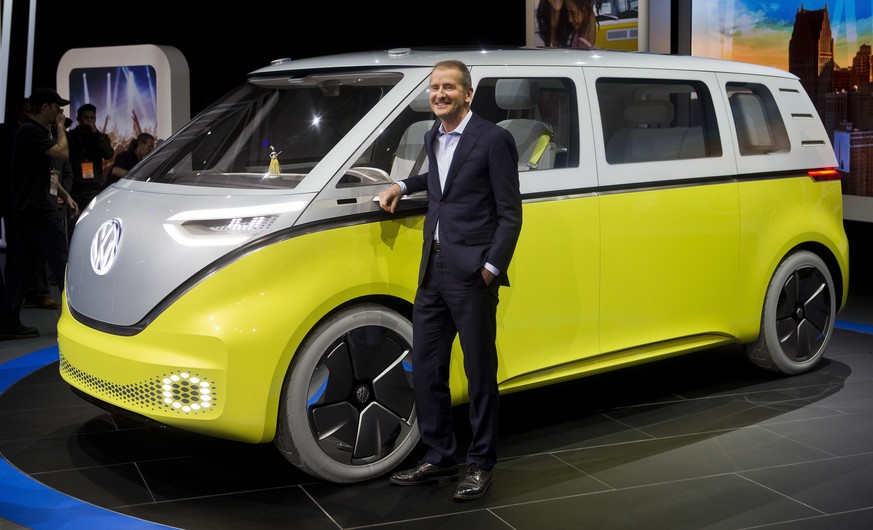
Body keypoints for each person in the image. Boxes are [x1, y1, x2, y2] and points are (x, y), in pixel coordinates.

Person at [378, 60, 522, 501]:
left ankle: (480, 464)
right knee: (426, 369)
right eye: (434, 88)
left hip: (472, 276)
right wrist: (402, 184)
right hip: (432, 271)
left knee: (479, 375)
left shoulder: (495, 140)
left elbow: (510, 214)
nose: (439, 94)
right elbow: (438, 178)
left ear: (468, 94)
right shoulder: (433, 135)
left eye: (449, 88)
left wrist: (490, 269)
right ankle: (439, 455)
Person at [0, 88, 79, 340]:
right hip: (39, 212)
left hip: (31, 210)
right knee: (61, 265)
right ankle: (78, 322)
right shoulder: (30, 131)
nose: (60, 112)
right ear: (45, 107)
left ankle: (7, 321)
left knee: (20, 269)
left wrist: (65, 195)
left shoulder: (32, 132)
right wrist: (60, 128)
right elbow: (63, 153)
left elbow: (47, 174)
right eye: (57, 107)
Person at [67, 103, 114, 215]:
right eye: (86, 118)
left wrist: (95, 133)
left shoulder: (101, 137)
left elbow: (108, 154)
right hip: (75, 186)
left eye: (92, 118)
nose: (89, 121)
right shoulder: (71, 136)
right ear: (78, 119)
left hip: (95, 186)